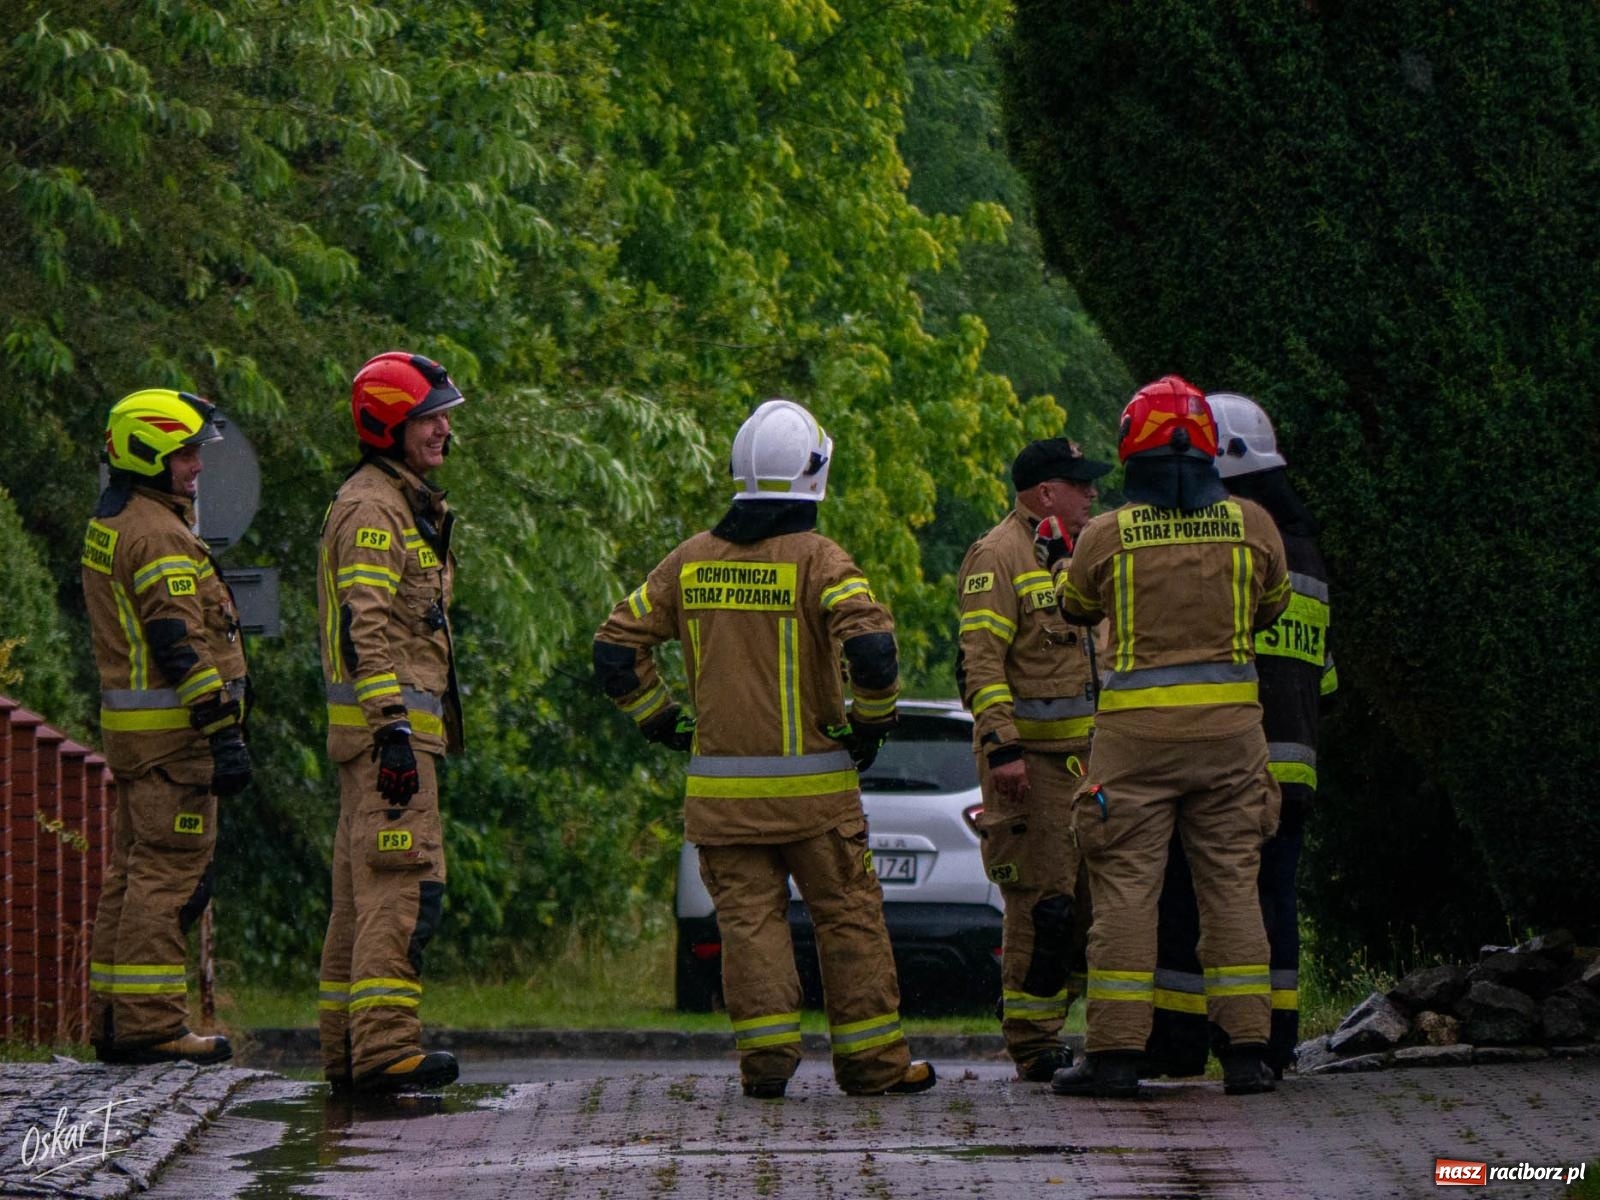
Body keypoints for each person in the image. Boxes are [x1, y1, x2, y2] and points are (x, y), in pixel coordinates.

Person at [594, 398, 936, 1099]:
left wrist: (662, 723)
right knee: (847, 918)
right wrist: (869, 726)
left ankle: (767, 1065)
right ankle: (873, 1067)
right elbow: (872, 651)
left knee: (749, 926)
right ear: (815, 474)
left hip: (722, 802)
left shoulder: (690, 560)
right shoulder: (820, 560)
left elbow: (613, 648)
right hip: (816, 802)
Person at [1040, 376, 1291, 1099]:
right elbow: (1269, 608)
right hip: (1232, 743)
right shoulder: (1253, 525)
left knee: (1124, 892)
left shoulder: (1107, 534)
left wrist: (1064, 563)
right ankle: (1248, 1054)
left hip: (1134, 746)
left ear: (1130, 452)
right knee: (1233, 891)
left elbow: (1077, 605)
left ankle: (1115, 1056)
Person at [1143, 393, 1337, 1079]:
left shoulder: (1234, 545)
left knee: (1194, 899)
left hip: (1231, 758)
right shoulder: (1306, 549)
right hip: (1297, 764)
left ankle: (1180, 1041)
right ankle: (1272, 1042)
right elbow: (1326, 679)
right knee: (1272, 903)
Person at [83, 388, 252, 1064]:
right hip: (174, 746)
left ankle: (116, 1024)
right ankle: (153, 1029)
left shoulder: (119, 518)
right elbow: (180, 643)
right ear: (149, 455)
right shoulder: (155, 533)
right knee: (169, 880)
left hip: (138, 743)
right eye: (184, 453)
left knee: (130, 878)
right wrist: (223, 733)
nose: (196, 466)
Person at [316, 352, 465, 1094]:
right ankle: (382, 1049)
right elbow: (363, 630)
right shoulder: (375, 510)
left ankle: (351, 1052)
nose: (443, 428)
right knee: (405, 889)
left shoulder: (394, 500)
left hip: (383, 741)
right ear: (389, 425)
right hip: (390, 744)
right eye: (429, 417)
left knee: (360, 899)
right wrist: (394, 731)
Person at [955, 438, 1109, 1081]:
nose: (1093, 494)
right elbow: (980, 664)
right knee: (1041, 903)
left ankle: (1098, 1032)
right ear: (1045, 492)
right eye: (1080, 484)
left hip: (1095, 762)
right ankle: (1034, 1040)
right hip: (1033, 767)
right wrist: (1004, 748)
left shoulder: (1081, 554)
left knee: (1093, 903)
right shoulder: (998, 556)